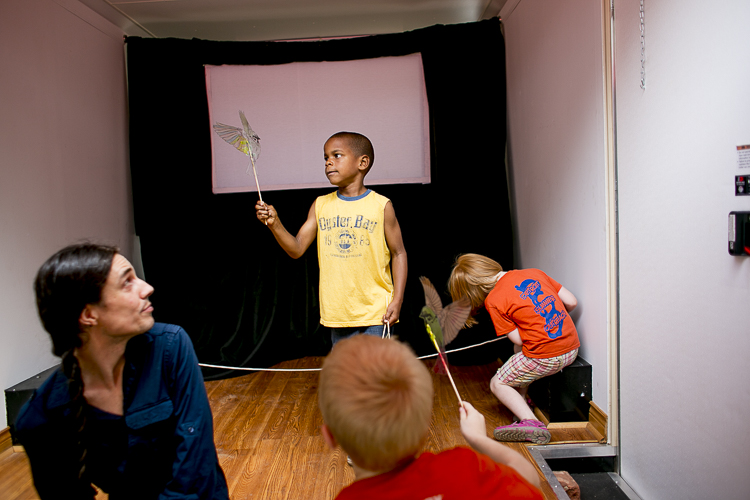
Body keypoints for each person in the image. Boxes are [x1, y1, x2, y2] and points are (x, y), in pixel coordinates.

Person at [15, 243, 229, 499]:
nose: (147, 288)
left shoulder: (169, 347)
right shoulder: (42, 418)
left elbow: (195, 465)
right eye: (127, 282)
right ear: (88, 314)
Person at [317, 334, 543, 499]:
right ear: (426, 427)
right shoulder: (464, 466)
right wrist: (479, 439)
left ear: (330, 436)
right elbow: (529, 479)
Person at [255, 132, 407, 345]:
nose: (328, 162)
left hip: (376, 312)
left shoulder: (381, 206)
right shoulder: (320, 205)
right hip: (339, 313)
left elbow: (399, 253)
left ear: (362, 162)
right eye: (325, 157)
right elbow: (296, 249)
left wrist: (397, 300)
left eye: (336, 155)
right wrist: (275, 223)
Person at [448, 253, 580, 444]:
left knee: (497, 383)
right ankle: (523, 399)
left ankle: (531, 423)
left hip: (546, 357)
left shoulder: (493, 300)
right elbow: (571, 301)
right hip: (571, 349)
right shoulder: (534, 273)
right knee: (518, 353)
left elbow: (518, 337)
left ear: (474, 290)